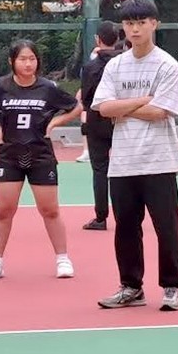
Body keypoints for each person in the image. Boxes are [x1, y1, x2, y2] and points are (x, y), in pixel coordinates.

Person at [90, 0, 178, 312]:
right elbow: (103, 108)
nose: (135, 29)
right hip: (123, 162)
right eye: (129, 23)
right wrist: (143, 100)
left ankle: (171, 287)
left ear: (154, 24)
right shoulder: (115, 65)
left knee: (166, 227)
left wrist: (124, 106)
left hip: (160, 160)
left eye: (141, 23)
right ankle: (131, 287)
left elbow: (161, 111)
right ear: (123, 27)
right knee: (126, 228)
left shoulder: (167, 65)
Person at [0, 39, 81, 280]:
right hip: (9, 155)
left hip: (41, 155)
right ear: (12, 61)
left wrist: (55, 123)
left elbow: (76, 107)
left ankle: (62, 258)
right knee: (4, 210)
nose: (28, 64)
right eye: (23, 59)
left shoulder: (48, 87)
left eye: (32, 59)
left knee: (50, 210)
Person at [79, 21, 128, 231]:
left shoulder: (90, 67)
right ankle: (125, 215)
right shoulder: (126, 64)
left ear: (97, 39)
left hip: (97, 120)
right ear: (117, 39)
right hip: (121, 118)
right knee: (124, 169)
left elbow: (86, 97)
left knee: (100, 170)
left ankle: (101, 217)